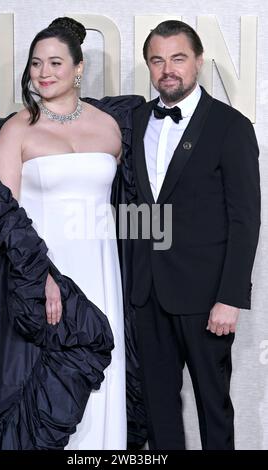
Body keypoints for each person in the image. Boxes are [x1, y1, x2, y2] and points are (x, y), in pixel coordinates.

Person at [0, 17, 144, 450]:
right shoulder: (17, 129)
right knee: (42, 380)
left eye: (55, 63)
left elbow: (133, 203)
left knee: (104, 377)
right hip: (43, 274)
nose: (44, 73)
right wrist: (41, 277)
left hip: (101, 271)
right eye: (35, 64)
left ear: (78, 68)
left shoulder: (113, 126)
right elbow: (4, 216)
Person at [130, 20, 261, 450]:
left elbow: (246, 219)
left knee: (213, 406)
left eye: (178, 58)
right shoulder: (134, 122)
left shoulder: (230, 126)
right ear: (149, 66)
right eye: (158, 60)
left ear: (199, 62)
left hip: (207, 299)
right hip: (148, 295)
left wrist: (231, 297)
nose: (168, 69)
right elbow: (142, 208)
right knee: (159, 410)